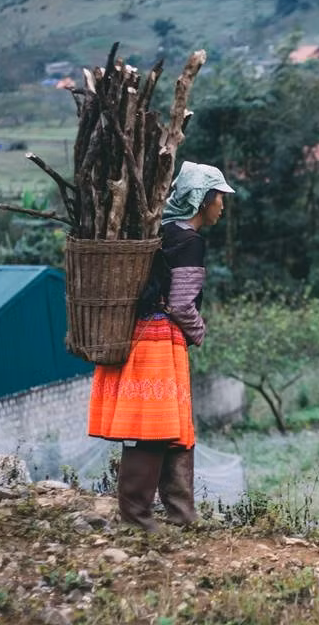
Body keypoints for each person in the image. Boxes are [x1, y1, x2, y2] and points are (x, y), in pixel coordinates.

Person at [88, 161, 234, 531]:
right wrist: (199, 331)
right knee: (152, 427)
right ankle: (137, 518)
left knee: (172, 425)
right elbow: (183, 304)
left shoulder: (162, 232)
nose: (222, 205)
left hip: (141, 337)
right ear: (202, 201)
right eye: (219, 197)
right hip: (158, 344)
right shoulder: (190, 243)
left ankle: (181, 516)